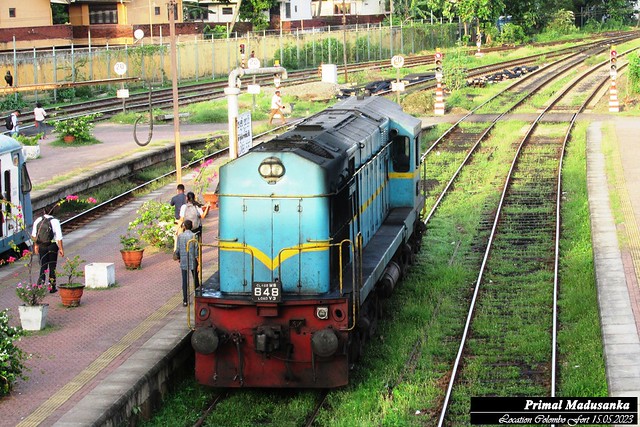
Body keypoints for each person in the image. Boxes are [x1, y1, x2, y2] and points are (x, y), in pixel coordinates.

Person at [31, 209, 64, 293]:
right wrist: (61, 249)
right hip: (52, 246)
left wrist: (36, 246)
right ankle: (52, 287)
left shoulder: (38, 220)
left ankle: (40, 286)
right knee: (52, 267)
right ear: (53, 212)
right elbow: (59, 237)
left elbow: (34, 235)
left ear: (44, 212)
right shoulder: (55, 221)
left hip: (42, 246)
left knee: (43, 266)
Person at [174, 219, 199, 306]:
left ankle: (185, 300)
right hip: (192, 260)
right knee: (195, 278)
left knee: (184, 280)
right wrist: (198, 262)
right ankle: (197, 297)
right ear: (191, 226)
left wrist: (178, 257)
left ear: (184, 226)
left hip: (183, 260)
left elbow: (178, 249)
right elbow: (196, 250)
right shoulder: (194, 236)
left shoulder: (180, 236)